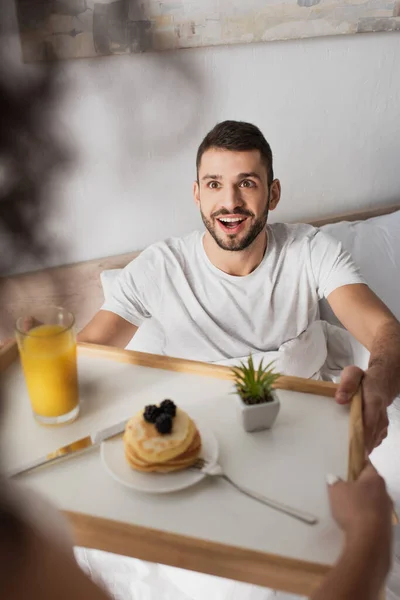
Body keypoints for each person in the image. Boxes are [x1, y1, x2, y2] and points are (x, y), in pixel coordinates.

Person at [79, 120, 400, 453]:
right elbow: (87, 350)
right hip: (199, 442)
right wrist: (36, 357)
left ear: (272, 194)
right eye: (214, 184)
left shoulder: (310, 250)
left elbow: (385, 331)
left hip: (300, 433)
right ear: (197, 194)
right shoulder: (160, 266)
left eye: (246, 182)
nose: (230, 202)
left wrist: (376, 389)